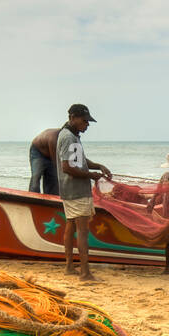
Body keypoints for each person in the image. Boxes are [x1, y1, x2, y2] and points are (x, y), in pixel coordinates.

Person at [55, 104, 112, 281]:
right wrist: (91, 175)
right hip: (77, 190)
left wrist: (97, 166)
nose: (87, 125)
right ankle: (85, 273)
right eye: (84, 121)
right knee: (82, 231)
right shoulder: (69, 138)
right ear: (73, 117)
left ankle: (70, 267)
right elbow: (67, 167)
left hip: (68, 189)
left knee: (70, 226)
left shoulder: (70, 135)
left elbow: (78, 160)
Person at [29, 126, 61, 194]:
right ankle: (32, 197)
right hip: (38, 152)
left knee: (52, 179)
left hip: (50, 153)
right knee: (36, 177)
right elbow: (55, 161)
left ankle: (50, 200)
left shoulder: (69, 138)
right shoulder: (54, 138)